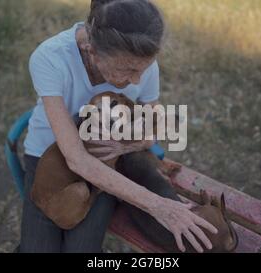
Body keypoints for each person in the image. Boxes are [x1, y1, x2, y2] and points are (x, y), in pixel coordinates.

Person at [19, 0, 217, 253]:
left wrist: (132, 143)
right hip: (49, 156)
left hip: (106, 162)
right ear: (91, 50)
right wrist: (158, 206)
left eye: (142, 70)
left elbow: (154, 123)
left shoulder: (141, 62)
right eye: (127, 70)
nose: (136, 80)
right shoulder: (50, 57)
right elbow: (76, 159)